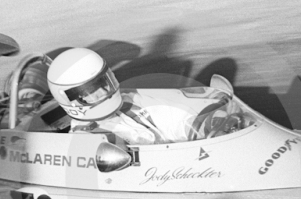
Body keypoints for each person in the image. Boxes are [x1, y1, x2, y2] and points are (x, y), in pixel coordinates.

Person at [46, 48, 243, 145]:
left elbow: (173, 115)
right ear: (71, 100)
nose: (103, 92)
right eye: (89, 93)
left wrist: (209, 122)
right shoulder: (86, 141)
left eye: (102, 83)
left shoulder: (129, 101)